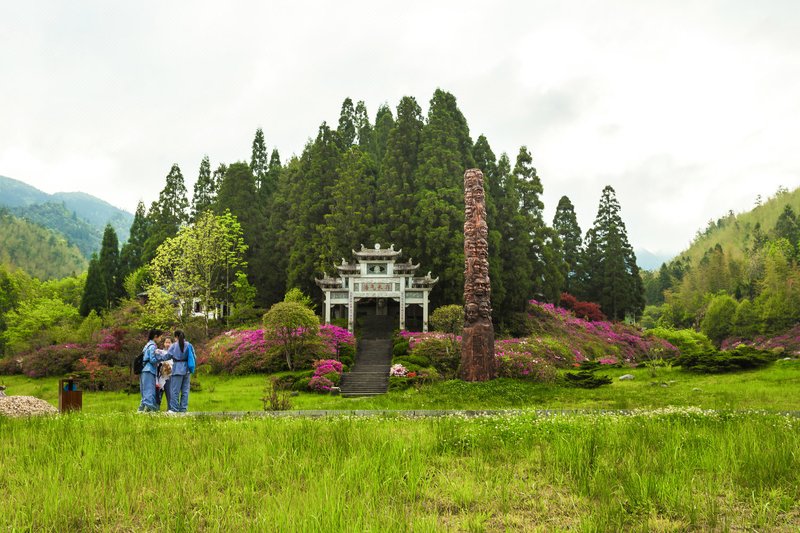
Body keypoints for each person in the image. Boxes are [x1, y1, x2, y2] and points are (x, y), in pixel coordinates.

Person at [138, 329, 167, 412]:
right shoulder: (152, 346)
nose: (161, 339)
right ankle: (152, 411)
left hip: (144, 369)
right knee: (150, 391)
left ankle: (140, 411)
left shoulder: (147, 345)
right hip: (149, 370)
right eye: (160, 337)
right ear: (155, 337)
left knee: (145, 391)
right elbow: (152, 360)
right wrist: (162, 358)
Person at [166, 329, 193, 413]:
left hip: (177, 369)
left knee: (174, 391)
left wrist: (157, 354)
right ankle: (183, 409)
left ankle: (174, 409)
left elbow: (167, 356)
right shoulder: (189, 345)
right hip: (187, 370)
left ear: (176, 337)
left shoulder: (174, 346)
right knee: (185, 391)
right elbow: (193, 356)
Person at [154, 336, 173, 410]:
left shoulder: (174, 353)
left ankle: (170, 410)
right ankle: (156, 409)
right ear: (164, 343)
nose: (167, 344)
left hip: (170, 377)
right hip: (161, 377)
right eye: (166, 342)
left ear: (172, 343)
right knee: (159, 394)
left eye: (169, 342)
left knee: (169, 394)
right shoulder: (161, 352)